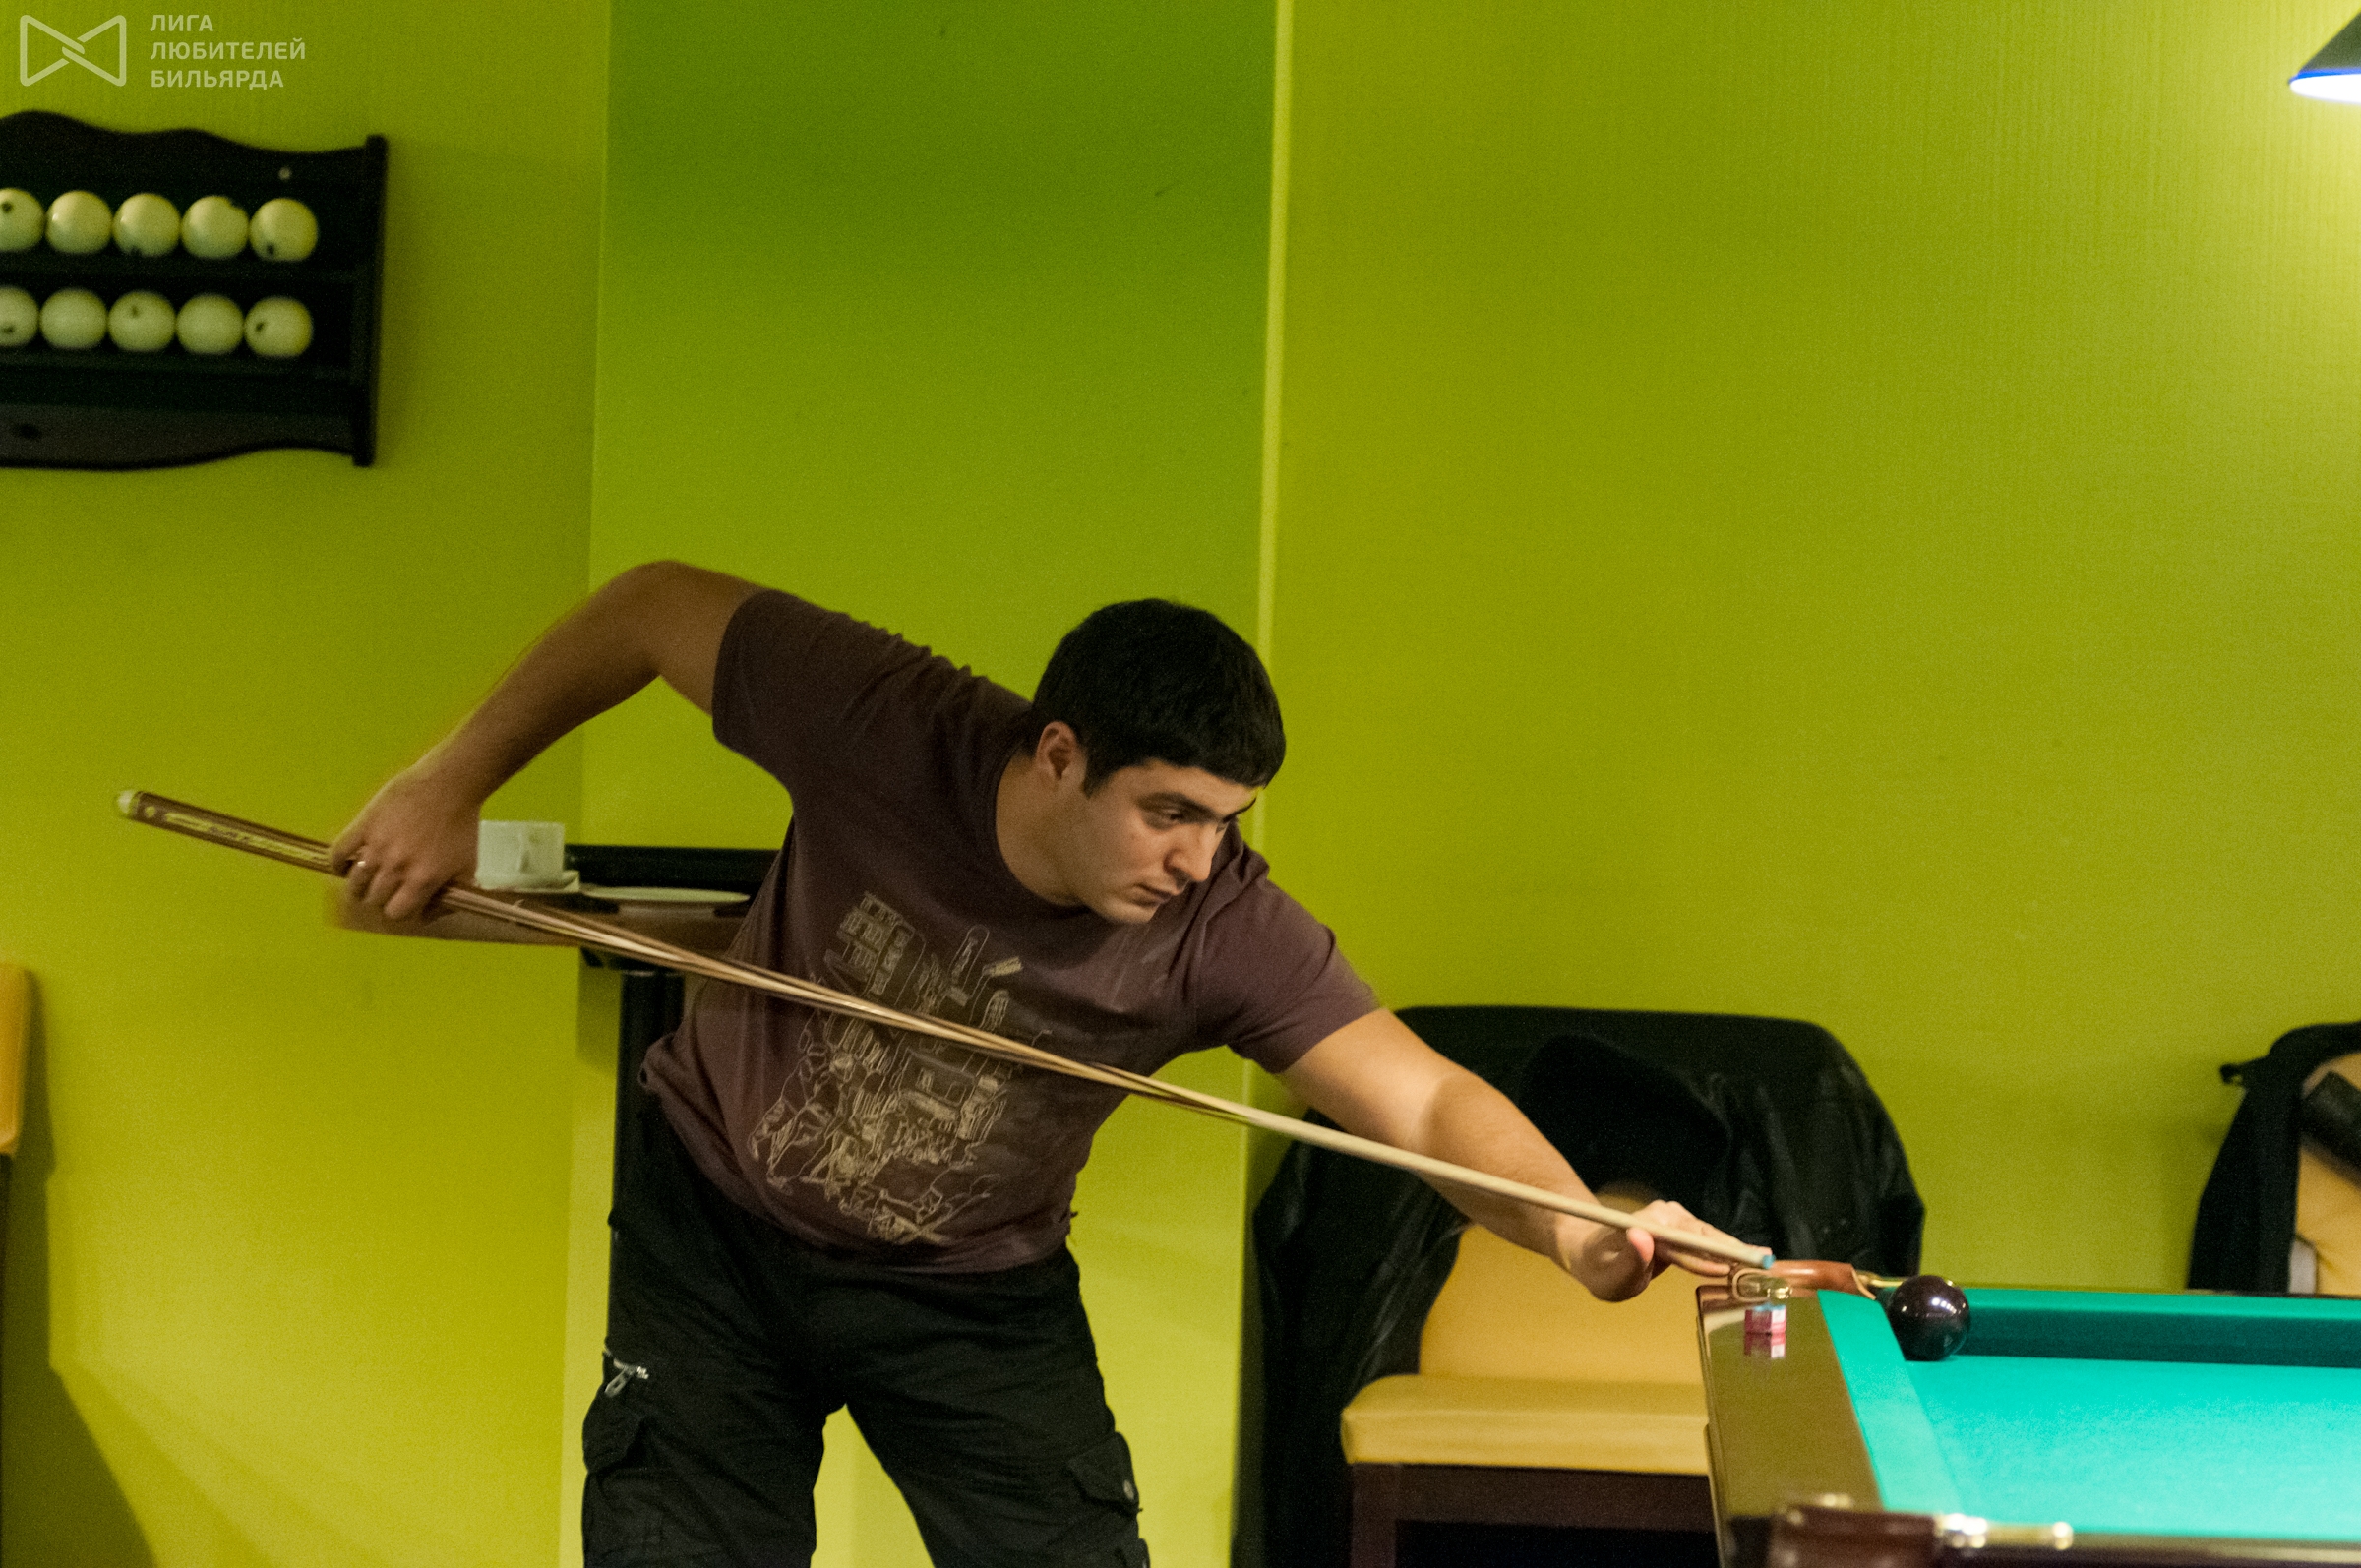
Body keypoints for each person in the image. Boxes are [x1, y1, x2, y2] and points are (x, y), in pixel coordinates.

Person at [334, 561, 1739, 1568]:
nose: (1197, 857)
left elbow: (1423, 1098)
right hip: (713, 1235)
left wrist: (1576, 1228)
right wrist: (449, 783)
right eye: (1168, 811)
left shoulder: (1223, 926)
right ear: (1059, 754)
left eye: (1226, 820)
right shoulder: (885, 722)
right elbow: (651, 607)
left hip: (969, 1292)